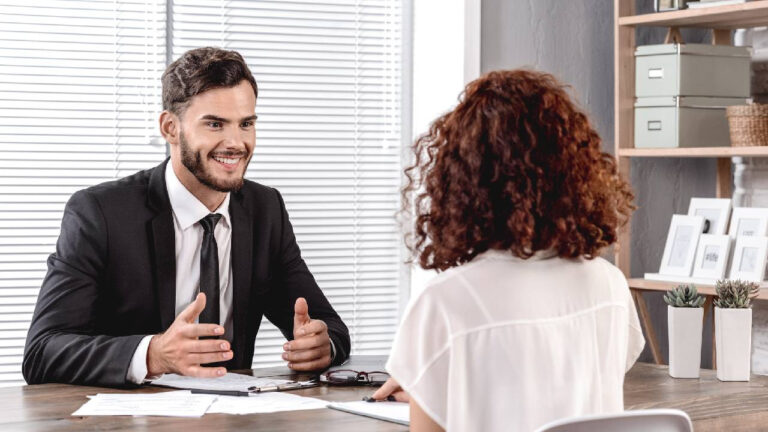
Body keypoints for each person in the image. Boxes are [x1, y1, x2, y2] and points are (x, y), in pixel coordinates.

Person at [22, 47, 350, 387]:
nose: (236, 143)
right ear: (170, 128)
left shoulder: (265, 209)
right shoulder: (100, 213)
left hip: (235, 417)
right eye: (214, 124)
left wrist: (322, 345)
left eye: (246, 124)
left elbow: (327, 325)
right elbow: (43, 352)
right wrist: (153, 354)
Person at [371, 70, 645, 431]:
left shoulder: (444, 303)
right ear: (573, 170)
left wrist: (435, 388)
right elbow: (563, 389)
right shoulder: (609, 286)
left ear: (462, 178)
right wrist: (440, 383)